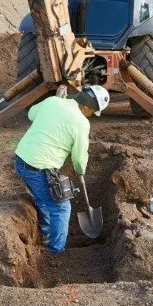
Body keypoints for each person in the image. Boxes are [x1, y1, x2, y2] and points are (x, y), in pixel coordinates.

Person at [13, 85, 110, 253]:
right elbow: (79, 158)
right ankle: (56, 251)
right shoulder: (81, 123)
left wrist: (57, 101)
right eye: (92, 111)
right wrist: (80, 171)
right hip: (38, 167)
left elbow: (31, 115)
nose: (92, 115)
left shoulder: (53, 101)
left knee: (43, 199)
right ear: (86, 107)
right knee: (61, 207)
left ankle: (46, 234)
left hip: (20, 160)